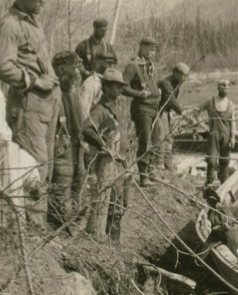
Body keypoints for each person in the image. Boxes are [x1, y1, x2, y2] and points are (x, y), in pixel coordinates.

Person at [0, 0, 58, 177]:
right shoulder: (10, 24)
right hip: (29, 107)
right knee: (33, 176)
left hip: (45, 108)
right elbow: (3, 66)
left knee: (45, 171)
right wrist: (34, 82)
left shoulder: (32, 22)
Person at [81, 68, 129, 242]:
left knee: (121, 205)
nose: (120, 90)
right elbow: (86, 128)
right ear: (106, 87)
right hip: (109, 167)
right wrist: (103, 145)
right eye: (116, 87)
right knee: (113, 208)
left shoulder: (114, 108)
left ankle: (111, 243)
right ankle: (110, 246)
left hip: (120, 165)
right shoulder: (100, 110)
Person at [48, 52, 86, 231]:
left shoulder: (74, 93)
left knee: (77, 182)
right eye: (72, 69)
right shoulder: (54, 93)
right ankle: (58, 224)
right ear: (60, 69)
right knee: (62, 182)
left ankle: (70, 223)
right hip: (61, 148)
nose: (75, 74)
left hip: (76, 146)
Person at [120, 37, 162, 185]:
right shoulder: (133, 65)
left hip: (153, 108)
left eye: (154, 50)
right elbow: (122, 87)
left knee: (156, 140)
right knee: (145, 141)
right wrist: (138, 94)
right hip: (142, 109)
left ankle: (151, 172)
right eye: (150, 49)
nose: (152, 53)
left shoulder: (149, 66)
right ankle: (143, 176)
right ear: (142, 48)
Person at [199, 80, 235, 186]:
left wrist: (233, 137)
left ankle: (224, 183)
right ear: (218, 88)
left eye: (227, 87)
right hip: (213, 135)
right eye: (222, 87)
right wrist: (203, 126)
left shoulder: (231, 104)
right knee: (211, 160)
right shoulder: (210, 102)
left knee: (225, 161)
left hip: (226, 135)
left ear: (229, 89)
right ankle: (210, 181)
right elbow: (195, 112)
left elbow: (233, 122)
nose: (224, 89)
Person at [156, 62, 190, 170]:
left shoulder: (177, 84)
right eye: (182, 75)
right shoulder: (166, 83)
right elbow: (171, 99)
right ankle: (159, 163)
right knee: (161, 137)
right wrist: (182, 112)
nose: (184, 78)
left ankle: (167, 163)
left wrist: (171, 112)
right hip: (157, 112)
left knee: (169, 138)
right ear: (175, 73)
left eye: (186, 76)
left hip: (166, 112)